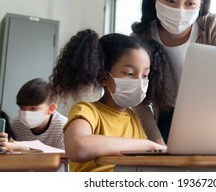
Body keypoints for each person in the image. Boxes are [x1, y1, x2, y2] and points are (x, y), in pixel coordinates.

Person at [131, 0, 216, 144]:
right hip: (167, 122)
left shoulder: (214, 27)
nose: (179, 10)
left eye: (190, 3)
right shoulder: (141, 38)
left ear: (201, 3)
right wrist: (157, 143)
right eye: (170, 0)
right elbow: (140, 101)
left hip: (212, 116)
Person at [49, 29, 167, 172]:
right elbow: (77, 147)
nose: (139, 82)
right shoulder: (87, 111)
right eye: (129, 74)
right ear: (104, 77)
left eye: (145, 75)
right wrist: (148, 145)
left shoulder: (134, 118)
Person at [9, 78, 67, 150]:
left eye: (33, 108)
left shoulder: (64, 128)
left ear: (51, 109)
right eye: (22, 107)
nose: (26, 113)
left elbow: (65, 159)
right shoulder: (16, 124)